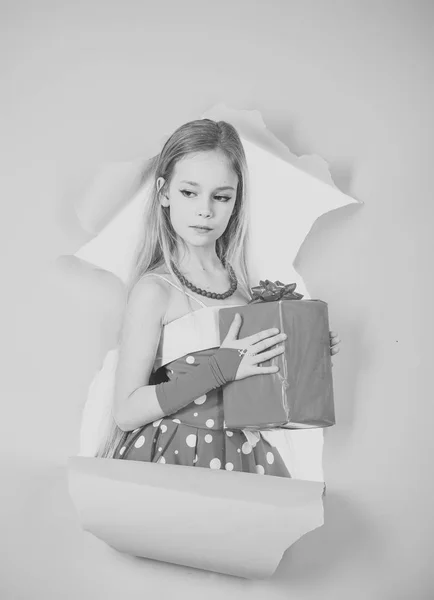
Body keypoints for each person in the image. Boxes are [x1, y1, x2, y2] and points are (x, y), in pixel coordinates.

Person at [96, 118, 341, 476]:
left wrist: (300, 356)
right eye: (189, 192)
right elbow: (127, 410)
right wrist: (220, 367)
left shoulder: (245, 292)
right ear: (164, 193)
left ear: (236, 201)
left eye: (221, 196)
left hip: (246, 458)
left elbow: (261, 401)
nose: (205, 210)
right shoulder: (155, 291)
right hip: (175, 457)